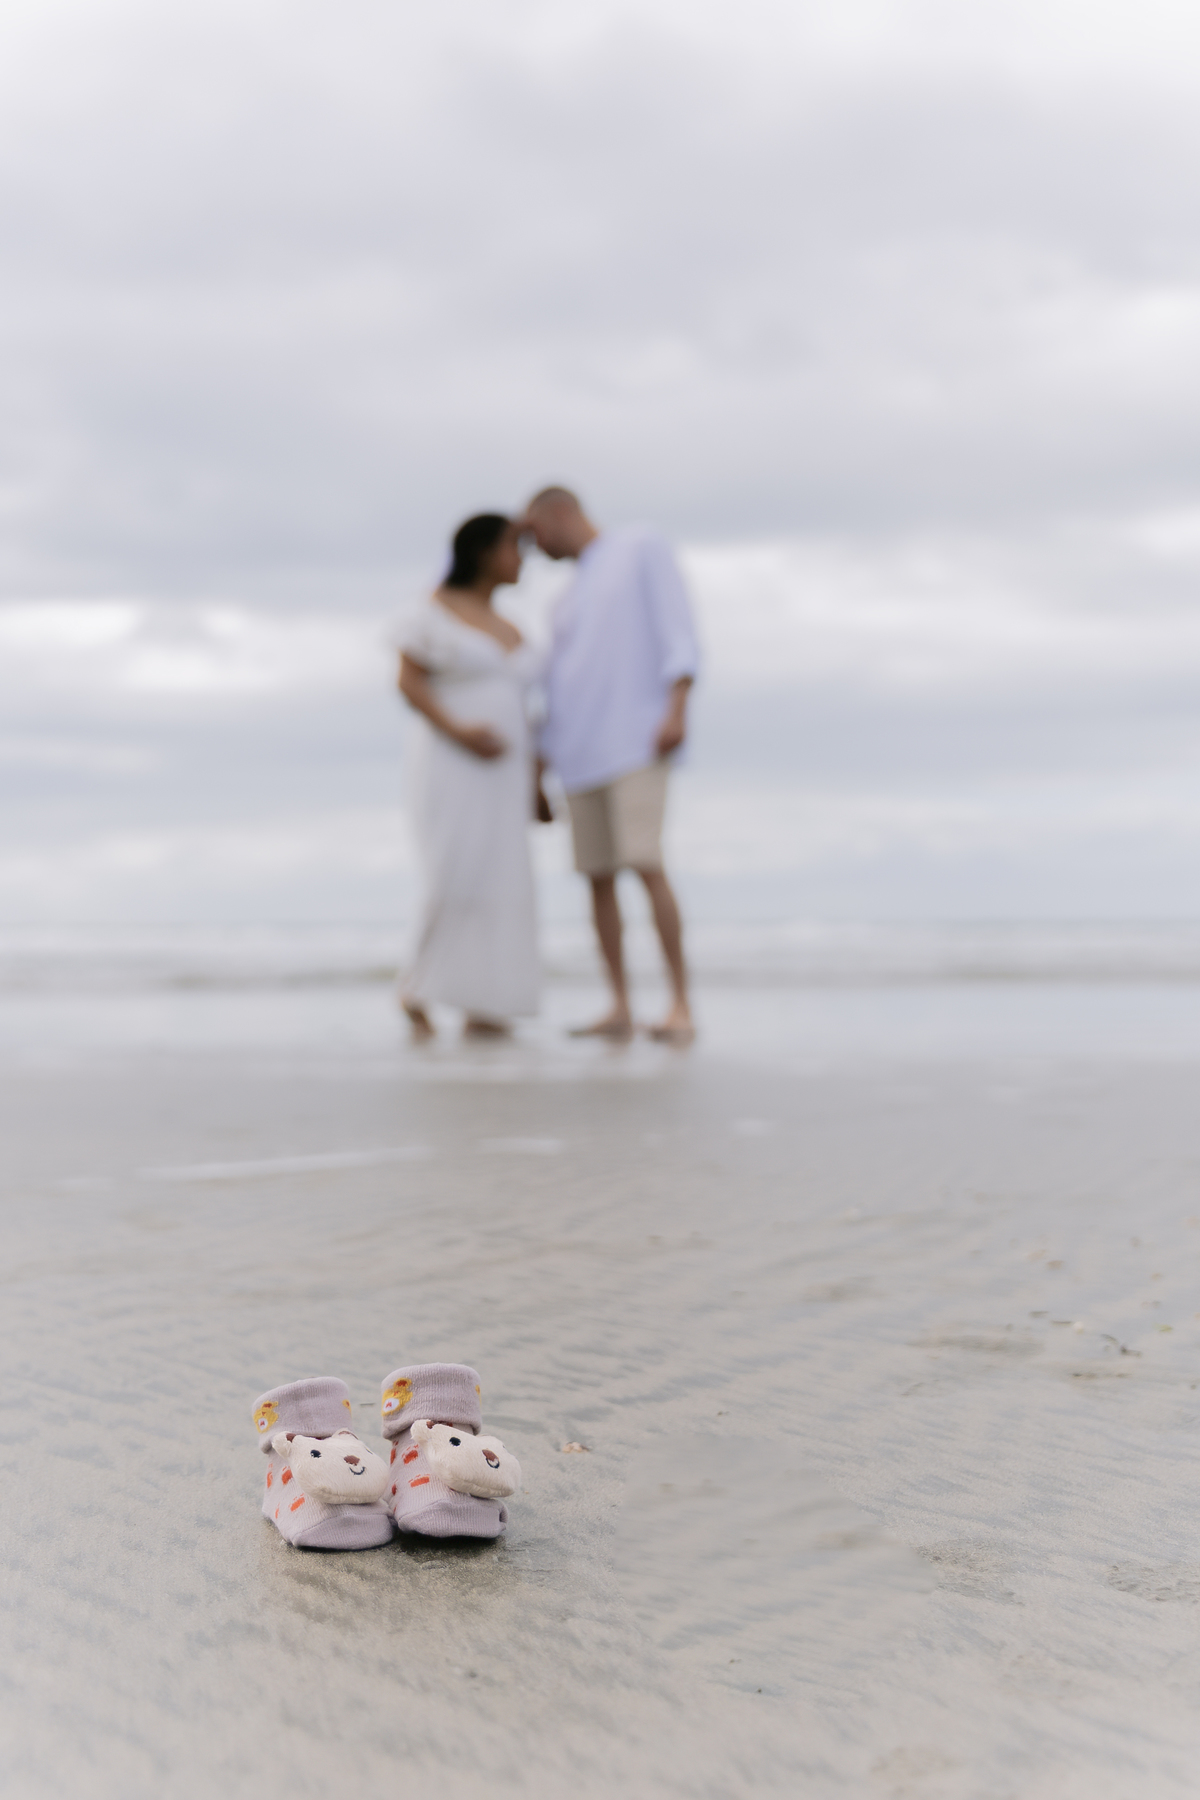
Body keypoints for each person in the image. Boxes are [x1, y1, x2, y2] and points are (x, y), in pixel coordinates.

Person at [523, 486, 700, 1044]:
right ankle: (619, 1003)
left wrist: (677, 705)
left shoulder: (640, 547)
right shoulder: (563, 598)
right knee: (596, 878)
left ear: (559, 513)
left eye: (536, 534)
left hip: (637, 738)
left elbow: (679, 630)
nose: (535, 548)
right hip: (578, 755)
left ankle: (679, 1003)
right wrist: (540, 762)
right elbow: (557, 685)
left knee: (646, 863)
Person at [396, 513, 547, 1039]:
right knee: (454, 870)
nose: (522, 560)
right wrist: (459, 732)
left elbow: (525, 711)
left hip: (506, 772)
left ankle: (485, 1002)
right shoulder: (432, 611)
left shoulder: (514, 629)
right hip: (453, 761)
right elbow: (409, 683)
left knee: (503, 876)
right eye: (514, 548)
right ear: (484, 552)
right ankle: (416, 986)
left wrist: (537, 781)